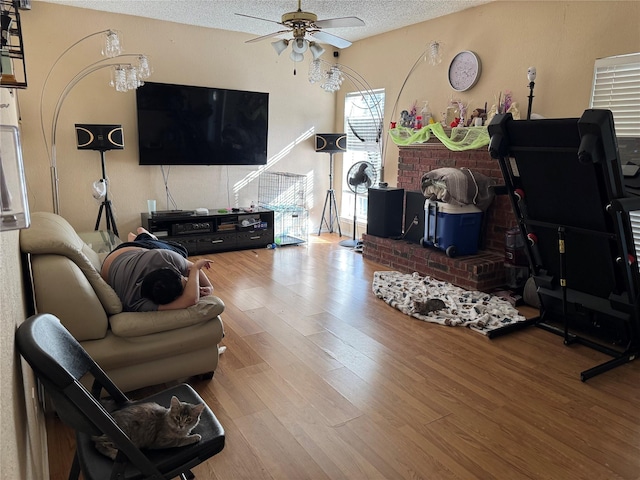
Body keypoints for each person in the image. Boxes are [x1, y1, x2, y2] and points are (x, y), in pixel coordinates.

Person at [101, 227, 214, 312]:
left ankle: (142, 235)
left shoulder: (162, 257)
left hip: (131, 251)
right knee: (181, 251)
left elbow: (190, 268)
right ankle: (139, 236)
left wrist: (204, 281)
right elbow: (191, 299)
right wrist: (195, 269)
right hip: (120, 257)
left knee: (176, 250)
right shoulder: (132, 302)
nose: (186, 278)